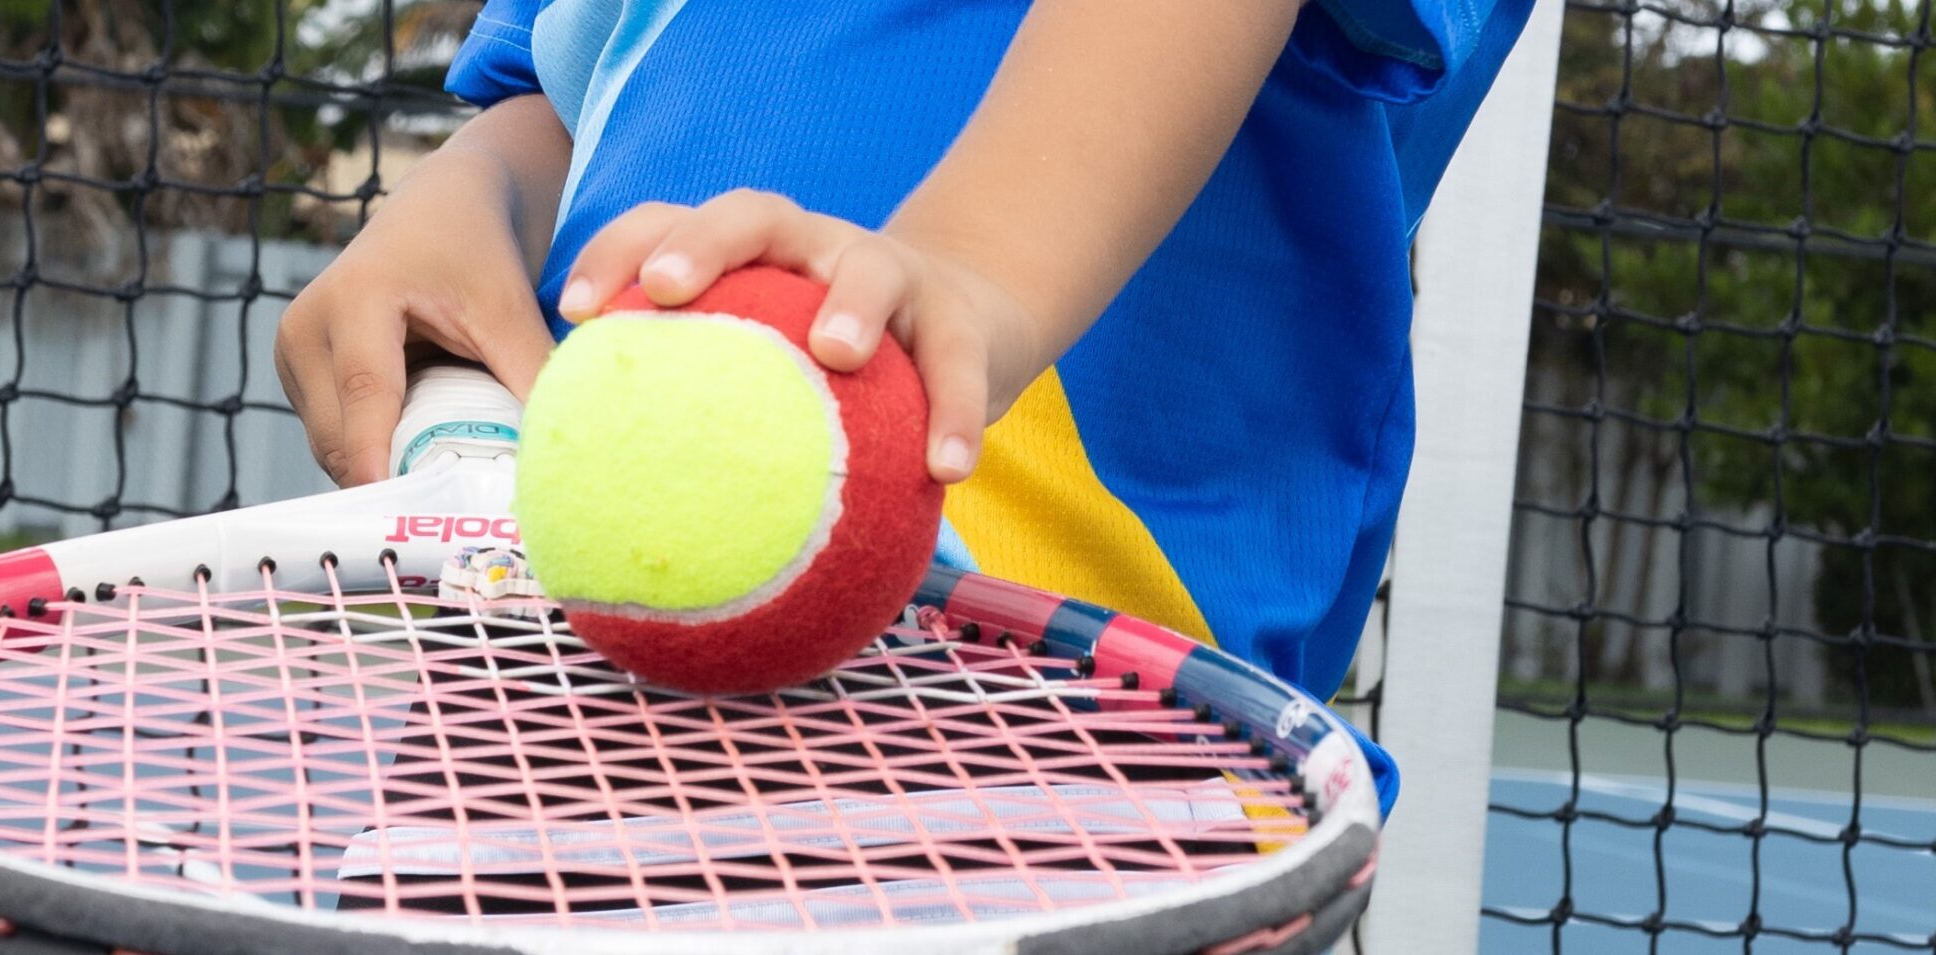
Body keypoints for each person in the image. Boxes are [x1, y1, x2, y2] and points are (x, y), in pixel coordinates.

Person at [275, 0, 1537, 815]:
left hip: (1066, 768)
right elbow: (572, 87)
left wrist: (975, 269)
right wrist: (462, 196)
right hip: (552, 737)